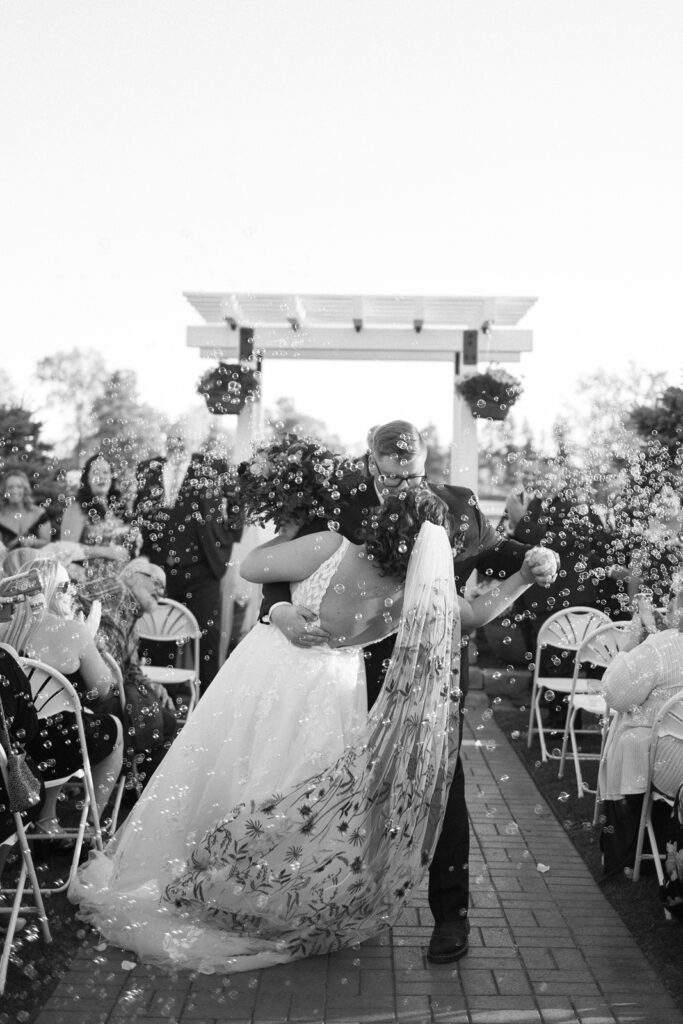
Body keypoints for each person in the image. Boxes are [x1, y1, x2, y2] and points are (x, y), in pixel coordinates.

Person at [69, 476, 540, 973]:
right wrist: (280, 607)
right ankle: (248, 895)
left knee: (267, 777)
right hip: (316, 684)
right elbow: (474, 613)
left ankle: (228, 884)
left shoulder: (336, 548)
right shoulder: (408, 587)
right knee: (281, 783)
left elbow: (250, 564)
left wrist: (283, 549)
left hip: (289, 676)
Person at [259, 421, 558, 963]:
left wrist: (535, 558)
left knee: (444, 784)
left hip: (435, 668)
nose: (403, 487)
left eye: (414, 476)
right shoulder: (337, 507)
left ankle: (451, 919)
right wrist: (278, 611)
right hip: (353, 670)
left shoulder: (458, 506)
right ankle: (358, 898)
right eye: (393, 478)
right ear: (371, 464)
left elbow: (499, 554)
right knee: (358, 780)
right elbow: (280, 566)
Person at [134, 425, 242, 690]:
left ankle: (207, 699)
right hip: (158, 571)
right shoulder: (148, 469)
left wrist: (227, 537)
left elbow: (238, 500)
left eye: (182, 438)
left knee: (207, 636)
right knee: (156, 634)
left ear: (193, 441)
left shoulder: (212, 467)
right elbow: (139, 511)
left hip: (202, 569)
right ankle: (160, 698)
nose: (176, 443)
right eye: (171, 438)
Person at [17, 558, 124, 827]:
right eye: (67, 586)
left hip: (12, 748)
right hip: (59, 745)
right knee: (114, 727)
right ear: (55, 589)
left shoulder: (6, 629)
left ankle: (47, 817)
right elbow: (104, 690)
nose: (72, 592)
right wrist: (87, 638)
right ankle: (94, 827)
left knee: (66, 716)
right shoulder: (73, 631)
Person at [597, 588, 683, 874]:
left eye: (674, 597)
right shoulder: (661, 643)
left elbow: (615, 696)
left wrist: (629, 646)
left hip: (667, 765)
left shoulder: (660, 647)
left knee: (631, 738)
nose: (668, 604)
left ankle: (629, 851)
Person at [59, 453, 138, 573]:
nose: (101, 476)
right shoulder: (77, 508)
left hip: (124, 576)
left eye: (106, 472)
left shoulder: (120, 505)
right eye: (96, 472)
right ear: (86, 478)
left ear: (112, 476)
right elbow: (66, 548)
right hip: (90, 580)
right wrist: (104, 551)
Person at [0, 470, 52, 551]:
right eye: (10, 487)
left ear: (25, 490)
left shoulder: (39, 513)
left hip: (35, 560)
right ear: (4, 491)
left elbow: (46, 542)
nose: (15, 491)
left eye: (19, 487)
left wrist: (32, 542)